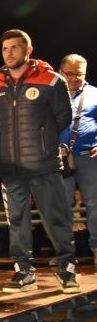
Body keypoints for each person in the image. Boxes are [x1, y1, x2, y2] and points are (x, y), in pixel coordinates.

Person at [0, 29, 79, 293]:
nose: (9, 53)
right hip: (11, 168)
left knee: (56, 218)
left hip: (44, 164)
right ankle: (24, 272)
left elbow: (64, 118)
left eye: (15, 47)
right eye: (5, 49)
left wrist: (44, 142)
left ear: (28, 49)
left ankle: (67, 270)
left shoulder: (51, 80)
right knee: (16, 220)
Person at [58, 54, 97, 265]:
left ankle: (96, 248)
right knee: (60, 207)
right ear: (61, 71)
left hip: (89, 157)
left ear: (86, 73)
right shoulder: (52, 92)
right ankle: (65, 255)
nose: (73, 78)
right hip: (59, 158)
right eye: (69, 73)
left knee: (95, 204)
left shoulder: (95, 94)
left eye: (79, 74)